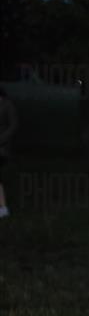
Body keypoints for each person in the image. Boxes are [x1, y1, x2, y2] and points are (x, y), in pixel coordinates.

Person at [0, 87, 18, 219]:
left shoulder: (7, 105)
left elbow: (13, 126)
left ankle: (3, 207)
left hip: (2, 147)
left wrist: (1, 139)